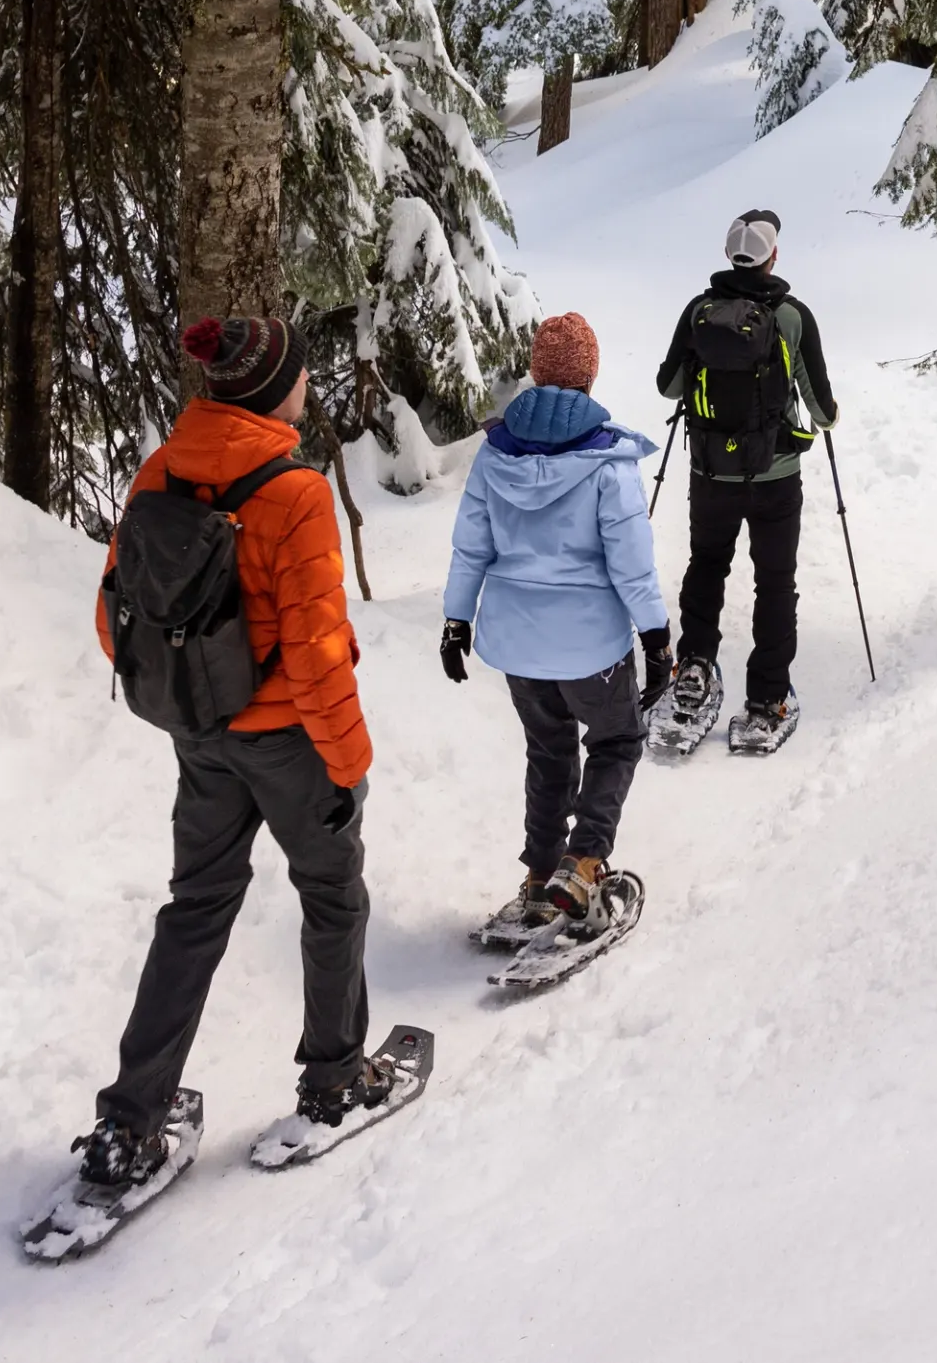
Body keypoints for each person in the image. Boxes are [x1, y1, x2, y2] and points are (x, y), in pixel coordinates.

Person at [71, 313, 405, 1194]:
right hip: (290, 742)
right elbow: (319, 651)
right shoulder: (294, 492)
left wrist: (199, 696)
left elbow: (117, 620)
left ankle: (129, 1122)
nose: (306, 383)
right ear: (275, 389)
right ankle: (334, 1080)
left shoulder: (164, 466)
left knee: (195, 909)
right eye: (299, 374)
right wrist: (346, 764)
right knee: (333, 893)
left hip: (203, 738)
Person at [440, 310, 671, 941]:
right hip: (591, 646)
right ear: (590, 378)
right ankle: (585, 861)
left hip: (517, 644)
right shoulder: (609, 460)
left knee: (548, 752)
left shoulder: (495, 452)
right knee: (617, 740)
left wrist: (456, 621)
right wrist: (656, 637)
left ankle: (540, 876)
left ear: (538, 375)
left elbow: (471, 548)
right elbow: (632, 564)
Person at [649, 209, 837, 750]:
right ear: (773, 256)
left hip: (711, 473)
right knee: (774, 581)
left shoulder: (698, 312)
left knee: (708, 564)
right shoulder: (793, 317)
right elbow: (823, 412)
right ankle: (767, 698)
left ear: (729, 256)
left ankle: (695, 671)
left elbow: (668, 387)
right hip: (776, 475)